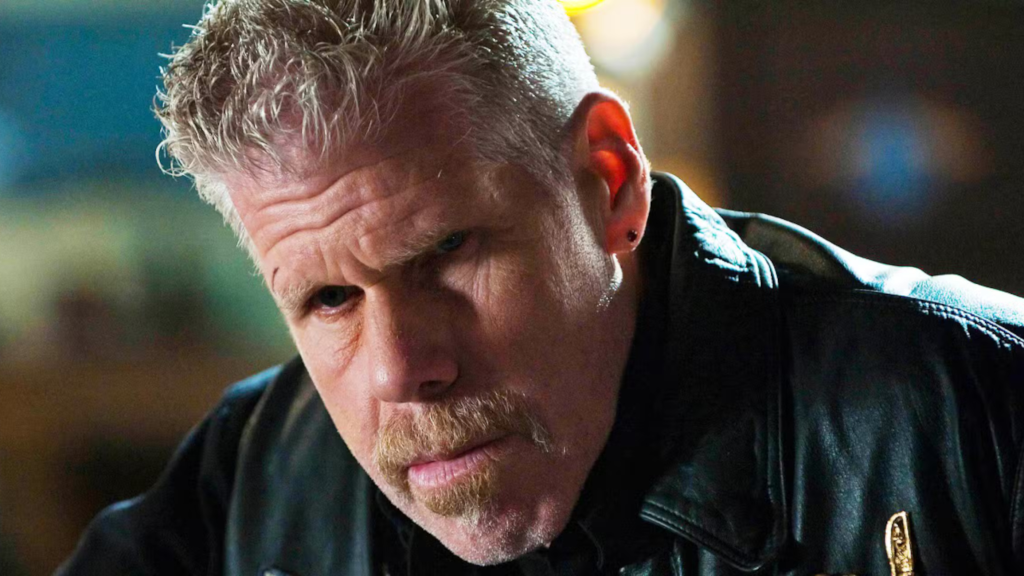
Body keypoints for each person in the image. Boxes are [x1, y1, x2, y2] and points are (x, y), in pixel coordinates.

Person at [59, 1, 1024, 574]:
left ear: (609, 181)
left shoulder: (974, 417)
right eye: (328, 300)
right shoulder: (258, 484)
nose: (401, 370)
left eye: (446, 253)